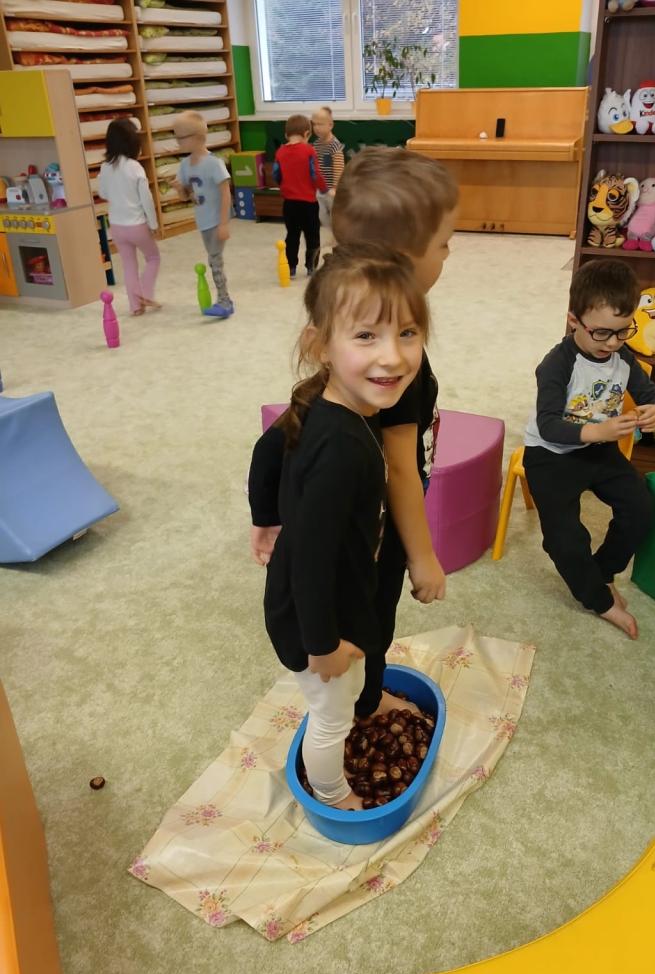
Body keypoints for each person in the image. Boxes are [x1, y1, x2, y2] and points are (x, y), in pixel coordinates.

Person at [249, 146, 458, 723]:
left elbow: (278, 433)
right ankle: (365, 703)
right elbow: (401, 470)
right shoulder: (396, 372)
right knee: (372, 616)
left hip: (358, 508)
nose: (449, 253)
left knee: (362, 613)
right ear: (402, 261)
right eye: (444, 243)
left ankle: (362, 692)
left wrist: (264, 511)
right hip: (376, 524)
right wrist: (422, 558)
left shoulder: (352, 345)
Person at [265, 243, 428, 810]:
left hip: (331, 599)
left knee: (347, 694)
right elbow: (310, 560)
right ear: (320, 345)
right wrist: (323, 646)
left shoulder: (330, 402)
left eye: (407, 333)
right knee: (331, 716)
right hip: (317, 619)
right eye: (365, 336)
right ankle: (332, 794)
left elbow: (265, 452)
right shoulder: (341, 449)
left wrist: (263, 518)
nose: (393, 357)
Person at [522, 259, 655, 640]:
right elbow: (548, 424)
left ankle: (602, 572)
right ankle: (598, 600)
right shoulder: (557, 364)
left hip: (597, 449)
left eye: (623, 331)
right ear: (574, 320)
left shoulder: (622, 356)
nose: (612, 343)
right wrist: (598, 430)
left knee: (641, 507)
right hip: (550, 455)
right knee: (564, 539)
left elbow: (653, 393)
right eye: (602, 332)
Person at [172, 110, 233, 318]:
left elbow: (226, 193)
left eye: (181, 137)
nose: (177, 142)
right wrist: (179, 189)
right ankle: (224, 299)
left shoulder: (214, 163)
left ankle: (224, 301)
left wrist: (223, 223)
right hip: (203, 221)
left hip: (216, 220)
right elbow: (185, 197)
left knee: (215, 260)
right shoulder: (184, 165)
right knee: (213, 259)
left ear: (197, 138)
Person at [97, 118, 160, 317]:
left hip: (117, 226)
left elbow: (103, 193)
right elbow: (146, 199)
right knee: (153, 258)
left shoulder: (105, 167)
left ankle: (135, 306)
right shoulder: (135, 167)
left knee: (128, 265)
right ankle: (146, 294)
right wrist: (153, 224)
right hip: (137, 225)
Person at [273, 114, 327, 277]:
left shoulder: (280, 152)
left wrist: (285, 187)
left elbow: (276, 175)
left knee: (292, 235)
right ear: (306, 133)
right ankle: (311, 267)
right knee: (313, 236)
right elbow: (315, 174)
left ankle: (291, 267)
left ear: (286, 135)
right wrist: (324, 189)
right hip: (308, 203)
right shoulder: (309, 150)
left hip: (289, 204)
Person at [311, 106, 344, 229]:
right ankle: (331, 231)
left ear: (330, 125)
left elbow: (339, 168)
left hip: (331, 190)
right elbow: (314, 166)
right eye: (314, 124)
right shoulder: (316, 144)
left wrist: (335, 187)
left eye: (320, 124)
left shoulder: (334, 145)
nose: (316, 127)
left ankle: (337, 233)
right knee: (322, 215)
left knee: (335, 215)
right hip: (320, 189)